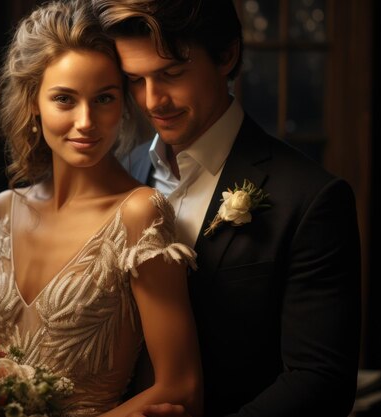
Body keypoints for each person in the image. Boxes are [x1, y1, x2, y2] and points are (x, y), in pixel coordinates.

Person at [91, 1, 361, 416]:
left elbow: (320, 380)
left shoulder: (312, 198)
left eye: (171, 74)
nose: (152, 100)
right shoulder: (120, 174)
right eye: (134, 81)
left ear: (227, 56)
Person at [0, 1, 203, 417]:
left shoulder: (140, 213)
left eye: (104, 98)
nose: (86, 122)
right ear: (33, 103)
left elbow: (181, 386)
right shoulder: (3, 211)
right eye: (64, 99)